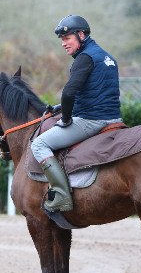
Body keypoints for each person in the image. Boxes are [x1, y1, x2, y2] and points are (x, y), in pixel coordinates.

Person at [31, 15, 122, 212]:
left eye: (67, 38)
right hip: (114, 118)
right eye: (62, 40)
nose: (63, 43)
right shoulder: (107, 57)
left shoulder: (84, 58)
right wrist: (60, 107)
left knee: (39, 144)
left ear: (81, 35)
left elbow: (69, 93)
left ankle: (61, 195)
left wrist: (65, 119)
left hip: (92, 121)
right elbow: (94, 93)